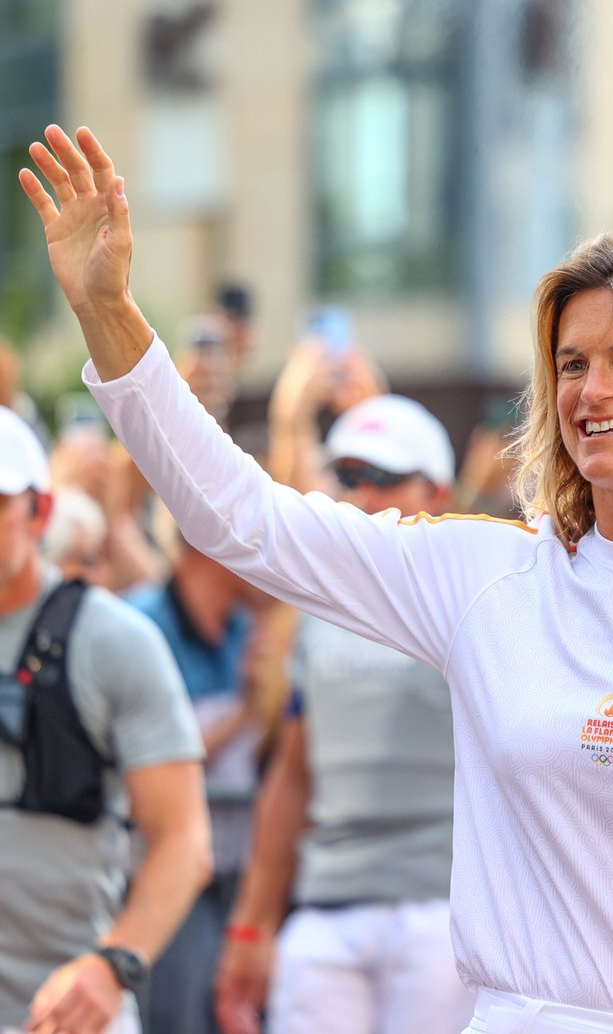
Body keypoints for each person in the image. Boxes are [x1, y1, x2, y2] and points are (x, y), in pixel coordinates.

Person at [20, 125, 613, 1034]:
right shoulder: (490, 574)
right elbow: (242, 519)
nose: (592, 393)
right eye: (572, 365)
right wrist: (109, 311)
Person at [215, 392, 474, 1034]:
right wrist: (251, 926)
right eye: (348, 476)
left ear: (439, 492)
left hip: (441, 915)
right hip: (326, 910)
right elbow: (293, 778)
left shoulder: (477, 604)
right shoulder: (316, 618)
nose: (362, 495)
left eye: (385, 478)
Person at [0, 404, 212, 1034]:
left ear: (38, 512)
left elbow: (183, 839)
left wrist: (113, 962)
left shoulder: (111, 638)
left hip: (67, 1012)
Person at [123, 537, 273, 1034]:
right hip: (156, 880)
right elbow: (152, 760)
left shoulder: (245, 630)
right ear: (207, 547)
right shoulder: (138, 625)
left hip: (232, 882)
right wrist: (249, 710)